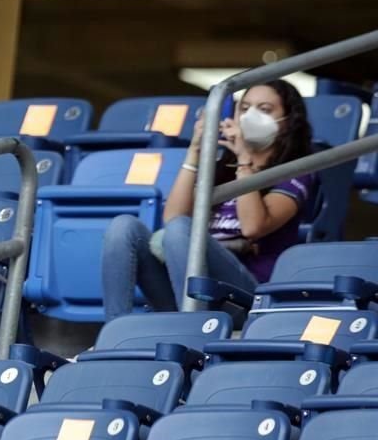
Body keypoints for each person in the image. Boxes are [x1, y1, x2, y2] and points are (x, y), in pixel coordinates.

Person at [100, 79, 316, 320]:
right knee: (124, 227)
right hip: (190, 287)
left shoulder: (296, 172)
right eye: (244, 108)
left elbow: (253, 226)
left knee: (182, 229)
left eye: (264, 110)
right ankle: (113, 330)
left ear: (287, 121)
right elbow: (173, 217)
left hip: (246, 295)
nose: (251, 116)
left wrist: (245, 160)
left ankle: (193, 329)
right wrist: (195, 152)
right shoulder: (221, 167)